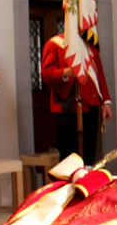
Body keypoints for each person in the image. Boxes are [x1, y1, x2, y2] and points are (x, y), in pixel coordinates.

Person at [40, 34, 112, 166]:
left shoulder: (89, 45)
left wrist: (106, 101)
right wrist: (65, 73)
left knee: (89, 153)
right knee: (69, 155)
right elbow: (46, 74)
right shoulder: (54, 44)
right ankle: (70, 184)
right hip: (67, 106)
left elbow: (98, 74)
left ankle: (86, 182)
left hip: (91, 104)